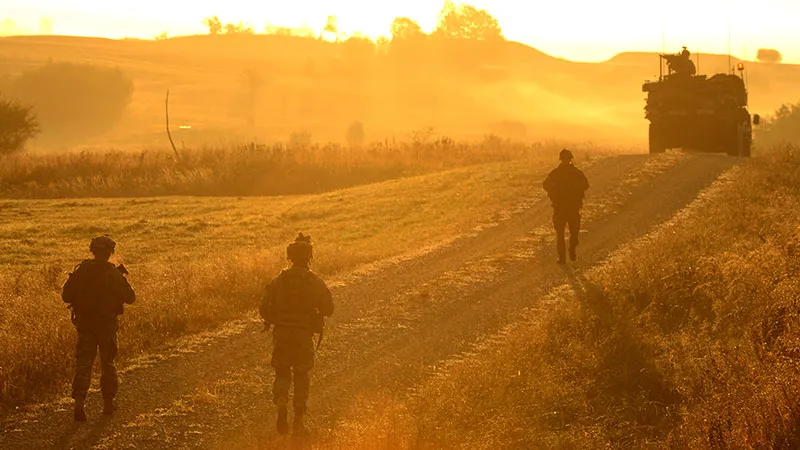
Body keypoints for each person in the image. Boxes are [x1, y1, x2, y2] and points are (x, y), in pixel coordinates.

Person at [260, 233, 334, 436]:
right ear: (309, 257)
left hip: (282, 335)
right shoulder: (315, 282)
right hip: (303, 336)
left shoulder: (278, 281)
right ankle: (299, 419)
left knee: (282, 373)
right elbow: (329, 309)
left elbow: (263, 307)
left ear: (290, 257)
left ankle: (281, 404)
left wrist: (277, 320)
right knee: (301, 375)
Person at [61, 235, 135, 421]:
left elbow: (66, 296)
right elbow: (130, 298)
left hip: (85, 325)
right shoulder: (113, 273)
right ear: (110, 253)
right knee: (107, 363)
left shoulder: (82, 270)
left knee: (84, 363)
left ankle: (79, 403)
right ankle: (108, 403)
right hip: (107, 325)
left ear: (92, 251)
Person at [543, 149, 590, 264]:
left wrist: (574, 189)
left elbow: (586, 185)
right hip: (560, 208)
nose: (565, 161)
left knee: (574, 234)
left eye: (567, 159)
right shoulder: (555, 174)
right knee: (560, 235)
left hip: (572, 208)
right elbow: (546, 185)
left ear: (570, 160)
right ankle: (562, 258)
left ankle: (572, 249)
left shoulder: (576, 173)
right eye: (564, 159)